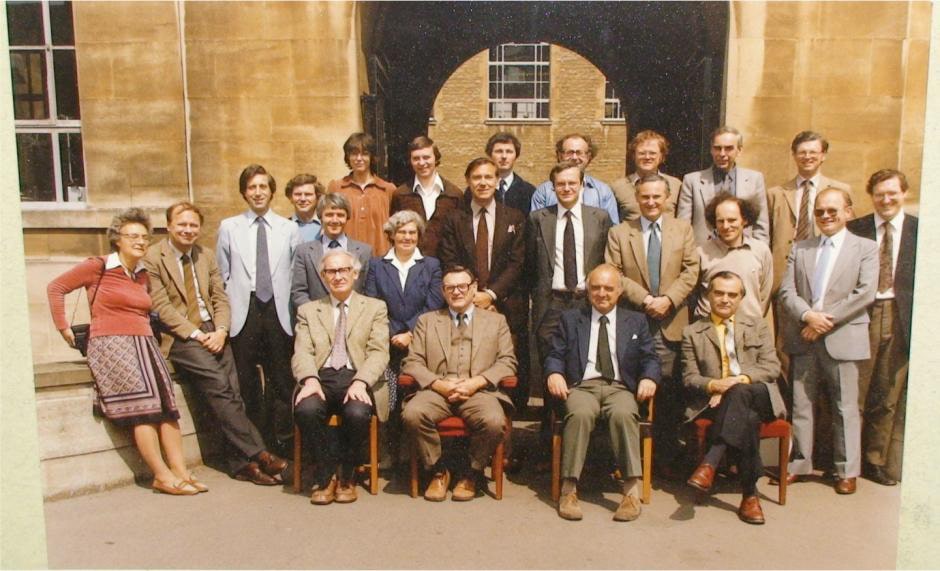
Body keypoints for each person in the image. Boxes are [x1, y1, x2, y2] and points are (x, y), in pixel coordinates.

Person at [47, 208, 201, 495]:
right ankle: (162, 475)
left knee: (167, 408)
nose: (140, 242)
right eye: (133, 236)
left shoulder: (142, 274)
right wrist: (62, 326)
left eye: (144, 237)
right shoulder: (99, 266)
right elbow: (56, 287)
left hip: (144, 343)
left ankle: (181, 471)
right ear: (117, 239)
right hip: (112, 344)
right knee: (142, 409)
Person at [145, 201, 288, 486]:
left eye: (193, 225)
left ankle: (240, 464)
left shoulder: (205, 255)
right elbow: (162, 308)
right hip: (182, 336)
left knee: (234, 391)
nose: (188, 230)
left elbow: (220, 297)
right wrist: (197, 335)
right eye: (182, 224)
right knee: (219, 387)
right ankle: (259, 452)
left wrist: (221, 330)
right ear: (169, 226)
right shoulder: (152, 258)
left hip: (214, 329)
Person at [778, 187, 878, 494]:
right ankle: (800, 462)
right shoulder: (801, 248)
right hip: (805, 335)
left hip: (842, 335)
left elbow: (864, 293)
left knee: (844, 406)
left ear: (848, 212)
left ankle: (846, 470)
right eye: (820, 211)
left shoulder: (866, 248)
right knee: (802, 404)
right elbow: (787, 292)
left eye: (832, 211)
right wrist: (808, 316)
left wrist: (822, 322)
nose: (825, 216)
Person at [543, 264, 660, 521]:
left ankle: (630, 492)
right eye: (595, 288)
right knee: (581, 413)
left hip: (620, 387)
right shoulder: (571, 318)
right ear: (588, 291)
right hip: (582, 386)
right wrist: (554, 373)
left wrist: (649, 378)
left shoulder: (636, 321)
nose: (602, 293)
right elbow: (555, 354)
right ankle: (569, 489)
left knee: (623, 414)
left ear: (619, 291)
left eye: (609, 288)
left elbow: (650, 358)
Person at [605, 173, 699, 473]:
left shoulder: (682, 229)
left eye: (657, 196)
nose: (651, 202)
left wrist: (669, 299)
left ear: (667, 199)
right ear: (637, 198)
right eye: (645, 196)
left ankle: (663, 460)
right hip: (635, 318)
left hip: (672, 320)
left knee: (669, 392)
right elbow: (614, 272)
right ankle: (627, 459)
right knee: (631, 388)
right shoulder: (620, 232)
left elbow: (691, 270)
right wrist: (646, 299)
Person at [401, 266, 517, 502]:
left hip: (479, 391)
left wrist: (476, 383)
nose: (456, 292)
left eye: (462, 286)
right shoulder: (427, 321)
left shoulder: (496, 321)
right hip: (437, 390)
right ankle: (438, 471)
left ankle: (470, 473)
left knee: (494, 422)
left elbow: (507, 362)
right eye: (450, 288)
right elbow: (412, 362)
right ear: (443, 292)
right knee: (412, 413)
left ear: (473, 288)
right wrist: (438, 384)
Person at [683, 271, 786, 524]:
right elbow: (689, 377)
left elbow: (771, 367)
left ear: (741, 298)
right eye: (719, 293)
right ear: (708, 296)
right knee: (747, 420)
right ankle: (750, 496)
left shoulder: (758, 325)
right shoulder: (693, 332)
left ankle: (711, 461)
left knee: (741, 393)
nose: (725, 299)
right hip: (717, 402)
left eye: (732, 294)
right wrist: (715, 385)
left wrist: (737, 381)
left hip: (759, 395)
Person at [292, 249, 390, 505]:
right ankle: (326, 476)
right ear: (323, 277)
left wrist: (361, 381)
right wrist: (310, 380)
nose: (338, 276)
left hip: (356, 376)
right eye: (331, 272)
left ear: (355, 273)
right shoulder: (309, 310)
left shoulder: (375, 307)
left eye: (343, 270)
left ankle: (347, 475)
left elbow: (379, 352)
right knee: (306, 410)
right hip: (321, 378)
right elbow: (302, 351)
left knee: (357, 413)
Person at [217, 164, 301, 453]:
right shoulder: (229, 227)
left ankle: (281, 443)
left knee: (281, 378)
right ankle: (254, 445)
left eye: (263, 187)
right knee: (246, 380)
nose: (257, 192)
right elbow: (222, 273)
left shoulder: (289, 228)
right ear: (243, 193)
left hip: (278, 311)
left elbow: (293, 272)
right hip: (245, 309)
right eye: (251, 187)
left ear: (272, 191)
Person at [847, 169, 918, 486]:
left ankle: (875, 461)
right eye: (879, 194)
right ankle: (847, 460)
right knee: (856, 390)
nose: (886, 199)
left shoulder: (921, 231)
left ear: (904, 193)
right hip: (864, 313)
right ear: (871, 196)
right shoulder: (857, 229)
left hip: (901, 315)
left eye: (892, 193)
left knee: (888, 393)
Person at [439, 157, 528, 409]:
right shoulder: (455, 219)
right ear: (468, 181)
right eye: (477, 177)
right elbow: (450, 259)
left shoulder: (515, 217)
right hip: (464, 304)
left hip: (504, 304)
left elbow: (517, 263)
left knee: (502, 369)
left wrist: (490, 295)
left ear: (497, 181)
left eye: (489, 177)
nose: (483, 182)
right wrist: (471, 295)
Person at [365, 210, 445, 460]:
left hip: (420, 344)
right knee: (387, 397)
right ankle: (388, 451)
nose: (407, 237)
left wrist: (410, 332)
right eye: (402, 232)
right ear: (391, 235)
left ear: (419, 236)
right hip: (386, 343)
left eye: (412, 232)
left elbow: (433, 303)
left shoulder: (431, 265)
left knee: (417, 397)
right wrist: (392, 333)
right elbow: (372, 302)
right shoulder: (377, 265)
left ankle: (416, 454)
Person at [527, 160, 613, 362]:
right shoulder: (538, 218)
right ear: (553, 187)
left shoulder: (599, 217)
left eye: (572, 183)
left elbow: (604, 259)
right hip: (551, 305)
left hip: (586, 302)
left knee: (583, 361)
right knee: (550, 365)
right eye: (561, 184)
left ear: (582, 185)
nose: (566, 188)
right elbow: (530, 265)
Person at [767, 131, 852, 296]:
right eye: (802, 152)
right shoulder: (776, 194)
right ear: (794, 155)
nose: (807, 156)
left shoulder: (841, 190)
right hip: (785, 275)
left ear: (823, 156)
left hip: (824, 269)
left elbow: (849, 235)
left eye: (813, 152)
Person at [677, 126, 769, 246]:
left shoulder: (754, 179)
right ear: (711, 150)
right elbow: (683, 227)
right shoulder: (692, 180)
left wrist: (757, 255)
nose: (722, 154)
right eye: (717, 148)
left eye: (728, 148)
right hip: (704, 255)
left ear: (739, 150)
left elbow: (761, 226)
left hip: (743, 254)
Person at [694, 193, 773, 322]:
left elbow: (764, 294)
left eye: (732, 220)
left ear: (744, 220)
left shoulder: (761, 250)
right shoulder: (701, 253)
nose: (726, 226)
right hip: (710, 330)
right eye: (720, 221)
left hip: (749, 329)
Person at [290, 193, 372, 310]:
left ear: (347, 217)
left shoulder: (364, 251)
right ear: (320, 217)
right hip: (317, 320)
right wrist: (316, 316)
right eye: (329, 215)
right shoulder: (304, 251)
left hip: (354, 320)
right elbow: (299, 292)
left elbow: (367, 292)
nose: (335, 220)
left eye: (340, 215)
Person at [390, 135, 464, 257]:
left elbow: (460, 235)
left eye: (426, 157)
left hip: (444, 265)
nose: (422, 163)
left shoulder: (454, 194)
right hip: (411, 264)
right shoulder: (401, 194)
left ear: (436, 158)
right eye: (416, 158)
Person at [327, 132, 398, 254]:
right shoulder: (336, 187)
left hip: (379, 260)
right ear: (348, 157)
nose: (359, 159)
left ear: (372, 157)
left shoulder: (387, 189)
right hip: (346, 260)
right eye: (354, 154)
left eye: (364, 154)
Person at [530, 133, 620, 224]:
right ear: (560, 156)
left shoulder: (603, 192)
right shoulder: (543, 192)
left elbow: (612, 230)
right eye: (570, 152)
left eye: (579, 153)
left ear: (588, 157)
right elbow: (537, 227)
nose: (574, 157)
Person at [610, 130, 681, 222]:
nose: (647, 157)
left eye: (652, 153)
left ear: (662, 156)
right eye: (642, 153)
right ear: (633, 156)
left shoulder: (676, 185)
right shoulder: (617, 188)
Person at [485, 131, 536, 215]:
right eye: (499, 151)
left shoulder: (529, 191)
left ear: (516, 155)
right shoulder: (477, 190)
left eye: (509, 151)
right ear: (490, 155)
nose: (504, 156)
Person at [286, 173, 325, 243]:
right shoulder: (283, 227)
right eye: (298, 194)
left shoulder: (326, 226)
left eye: (308, 194)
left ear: (318, 197)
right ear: (290, 198)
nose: (303, 199)